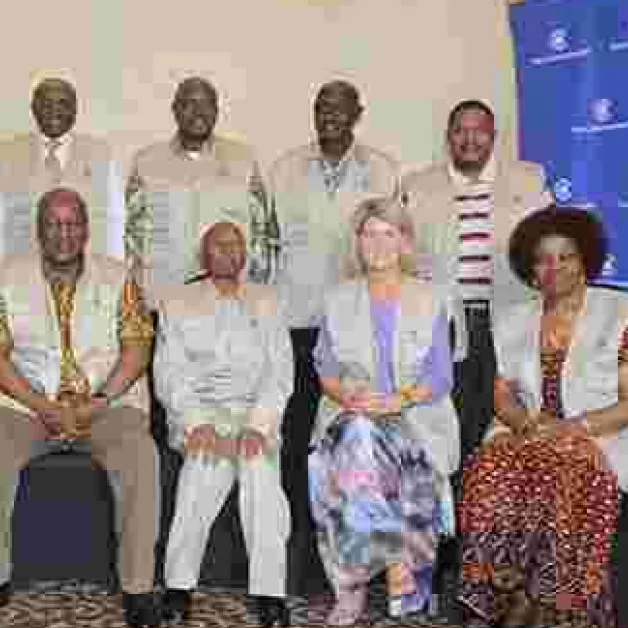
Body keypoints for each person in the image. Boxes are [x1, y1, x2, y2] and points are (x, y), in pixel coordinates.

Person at [0, 188, 162, 627]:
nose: (63, 233)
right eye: (53, 224)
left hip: (106, 404)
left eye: (72, 223)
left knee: (141, 457)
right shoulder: (8, 279)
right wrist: (41, 405)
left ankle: (139, 587)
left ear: (86, 230)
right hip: (27, 403)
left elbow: (136, 350)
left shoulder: (119, 279)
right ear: (38, 231)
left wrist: (99, 401)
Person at [459, 207, 628, 628]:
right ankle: (510, 592)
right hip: (529, 428)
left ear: (585, 259)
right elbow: (503, 395)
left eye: (565, 256)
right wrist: (525, 425)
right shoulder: (512, 319)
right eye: (543, 259)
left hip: (601, 430)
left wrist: (569, 429)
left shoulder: (624, 312)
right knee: (487, 469)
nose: (555, 268)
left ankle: (555, 604)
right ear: (530, 270)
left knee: (563, 470)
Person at [266, 79, 401, 593]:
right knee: (296, 446)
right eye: (321, 107)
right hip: (296, 323)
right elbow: (268, 246)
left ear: (357, 114)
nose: (329, 115)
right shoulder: (284, 169)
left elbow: (389, 247)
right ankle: (300, 562)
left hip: (356, 328)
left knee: (347, 449)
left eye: (340, 108)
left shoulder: (383, 171)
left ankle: (354, 566)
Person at [308, 198, 458, 625]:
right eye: (369, 234)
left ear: (405, 241)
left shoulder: (432, 297)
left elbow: (441, 376)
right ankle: (383, 573)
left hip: (416, 415)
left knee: (366, 446)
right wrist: (350, 397)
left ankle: (358, 582)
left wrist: (399, 399)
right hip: (349, 412)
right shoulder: (337, 298)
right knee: (358, 435)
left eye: (388, 233)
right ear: (357, 242)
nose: (378, 243)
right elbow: (326, 368)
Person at [155, 222, 292, 627]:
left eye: (236, 244)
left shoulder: (268, 301)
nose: (229, 251)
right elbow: (169, 374)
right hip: (203, 413)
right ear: (203, 255)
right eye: (219, 245)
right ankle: (178, 587)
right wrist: (196, 423)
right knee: (201, 470)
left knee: (261, 475)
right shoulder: (178, 302)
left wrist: (258, 426)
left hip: (254, 413)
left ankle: (270, 593)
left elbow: (280, 373)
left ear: (245, 253)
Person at [401, 99, 552, 462]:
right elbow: (402, 253)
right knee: (452, 421)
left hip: (512, 317)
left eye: (479, 131)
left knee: (508, 419)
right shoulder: (417, 186)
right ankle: (455, 494)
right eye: (460, 131)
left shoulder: (529, 179)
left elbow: (550, 244)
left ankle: (497, 494)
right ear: (448, 137)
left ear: (494, 136)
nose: (470, 139)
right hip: (445, 325)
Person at [126, 76, 276, 298]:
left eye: (206, 104)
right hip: (162, 293)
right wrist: (137, 289)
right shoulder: (147, 162)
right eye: (189, 103)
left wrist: (255, 289)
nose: (199, 112)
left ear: (216, 111)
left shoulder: (243, 159)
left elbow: (261, 231)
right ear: (175, 110)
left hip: (228, 297)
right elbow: (131, 231)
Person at [0, 77, 123, 270]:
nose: (55, 111)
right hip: (22, 273)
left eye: (63, 104)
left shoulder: (100, 153)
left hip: (90, 274)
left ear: (75, 110)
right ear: (34, 109)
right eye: (46, 104)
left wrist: (115, 270)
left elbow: (115, 220)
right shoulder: (6, 154)